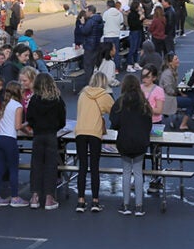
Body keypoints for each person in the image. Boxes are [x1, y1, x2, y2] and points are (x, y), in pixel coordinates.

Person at [110, 73, 152, 216]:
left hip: (125, 141)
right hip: (140, 142)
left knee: (126, 172)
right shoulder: (144, 102)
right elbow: (149, 123)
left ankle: (126, 204)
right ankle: (139, 205)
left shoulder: (120, 102)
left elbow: (114, 123)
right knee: (138, 173)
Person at [25, 73, 66, 211]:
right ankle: (49, 197)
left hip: (38, 134)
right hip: (51, 134)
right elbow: (62, 120)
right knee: (50, 166)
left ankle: (35, 196)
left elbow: (29, 117)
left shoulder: (34, 100)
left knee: (36, 165)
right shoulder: (57, 100)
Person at [75, 72, 115, 213]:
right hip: (95, 132)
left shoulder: (83, 93)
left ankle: (80, 200)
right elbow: (114, 111)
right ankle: (95, 201)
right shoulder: (104, 95)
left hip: (80, 131)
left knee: (82, 167)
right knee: (94, 167)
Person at [0, 81, 27, 209]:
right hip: (9, 139)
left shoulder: (4, 105)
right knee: (13, 168)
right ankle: (15, 197)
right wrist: (27, 125)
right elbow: (17, 126)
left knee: (0, 167)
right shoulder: (18, 106)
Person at [160, 52, 194, 131]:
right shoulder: (167, 74)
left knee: (192, 92)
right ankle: (183, 124)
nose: (178, 61)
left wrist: (181, 92)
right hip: (169, 99)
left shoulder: (172, 71)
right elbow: (169, 90)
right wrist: (180, 93)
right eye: (176, 59)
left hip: (172, 95)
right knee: (191, 102)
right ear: (170, 62)